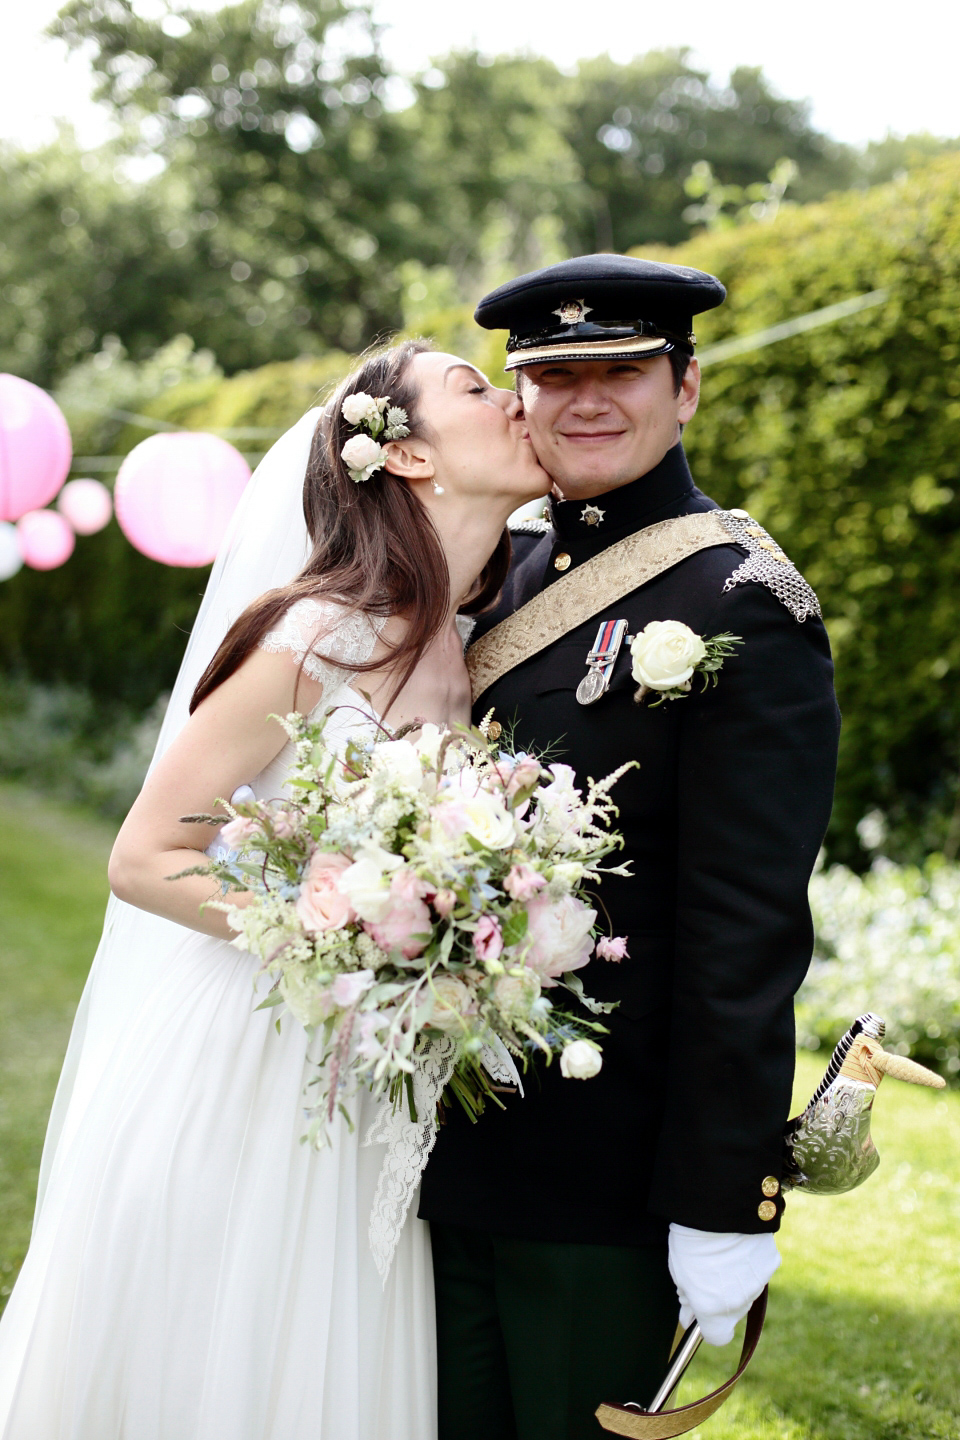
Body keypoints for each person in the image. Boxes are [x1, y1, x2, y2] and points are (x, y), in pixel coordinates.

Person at [0, 339, 550, 1440]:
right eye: (476, 390)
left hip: (379, 1081)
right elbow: (146, 853)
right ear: (407, 460)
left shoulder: (476, 642)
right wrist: (323, 926)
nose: (515, 401)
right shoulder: (319, 632)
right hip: (254, 1061)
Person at [418, 254, 842, 1440]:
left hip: (604, 1175)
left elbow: (744, 933)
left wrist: (724, 1198)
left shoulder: (742, 599)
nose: (587, 398)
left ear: (687, 387)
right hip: (441, 1142)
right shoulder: (496, 575)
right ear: (522, 396)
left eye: (623, 369)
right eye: (556, 375)